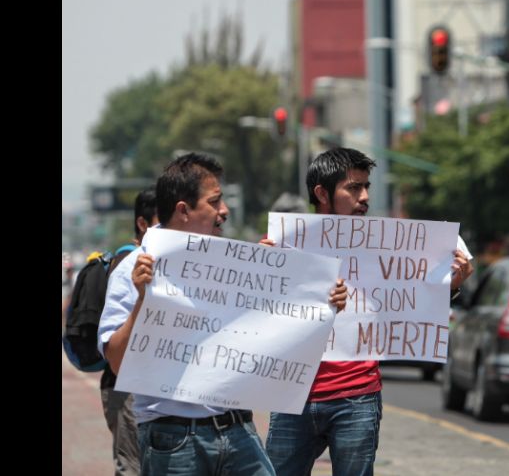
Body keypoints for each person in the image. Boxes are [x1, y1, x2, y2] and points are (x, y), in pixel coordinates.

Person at [98, 152, 349, 476]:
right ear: (184, 210)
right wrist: (143, 300)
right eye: (215, 202)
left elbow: (273, 332)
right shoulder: (135, 269)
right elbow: (117, 363)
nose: (224, 211)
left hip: (238, 429)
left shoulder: (235, 264)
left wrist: (322, 300)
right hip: (174, 439)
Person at [265, 147, 474, 476]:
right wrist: (263, 274)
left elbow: (405, 302)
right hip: (294, 395)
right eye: (353, 188)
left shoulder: (384, 245)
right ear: (322, 193)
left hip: (356, 397)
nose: (364, 197)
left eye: (366, 187)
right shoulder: (283, 245)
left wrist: (450, 286)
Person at [99, 187, 157, 476]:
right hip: (125, 387)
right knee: (132, 467)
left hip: (151, 388)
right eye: (163, 221)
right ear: (143, 224)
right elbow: (115, 346)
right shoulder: (128, 266)